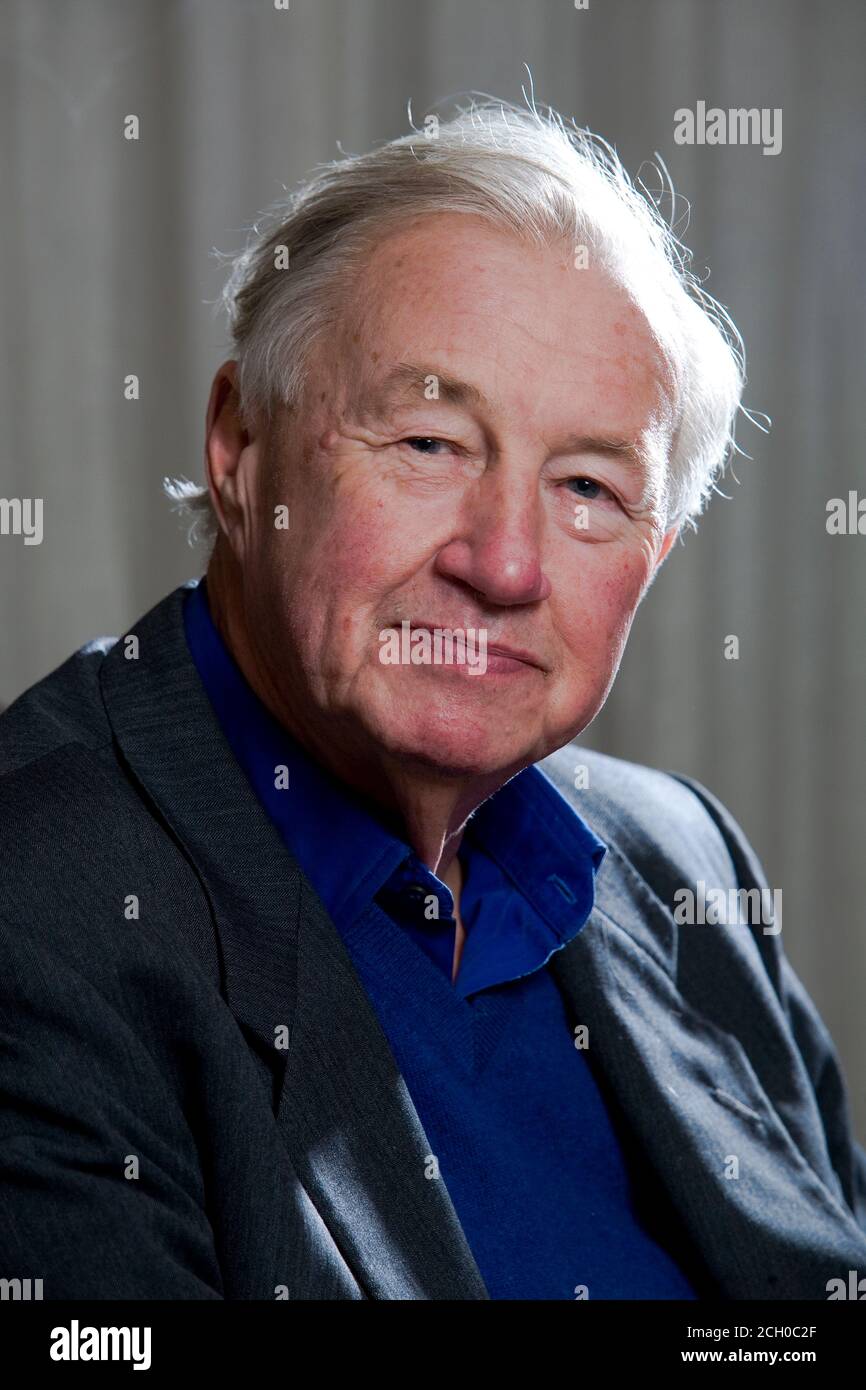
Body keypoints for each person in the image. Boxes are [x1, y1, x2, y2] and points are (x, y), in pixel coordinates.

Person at [1, 99, 864, 1301]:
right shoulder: (37, 912)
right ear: (239, 445)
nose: (503, 563)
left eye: (586, 486)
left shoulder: (681, 858)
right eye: (425, 443)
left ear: (655, 552)